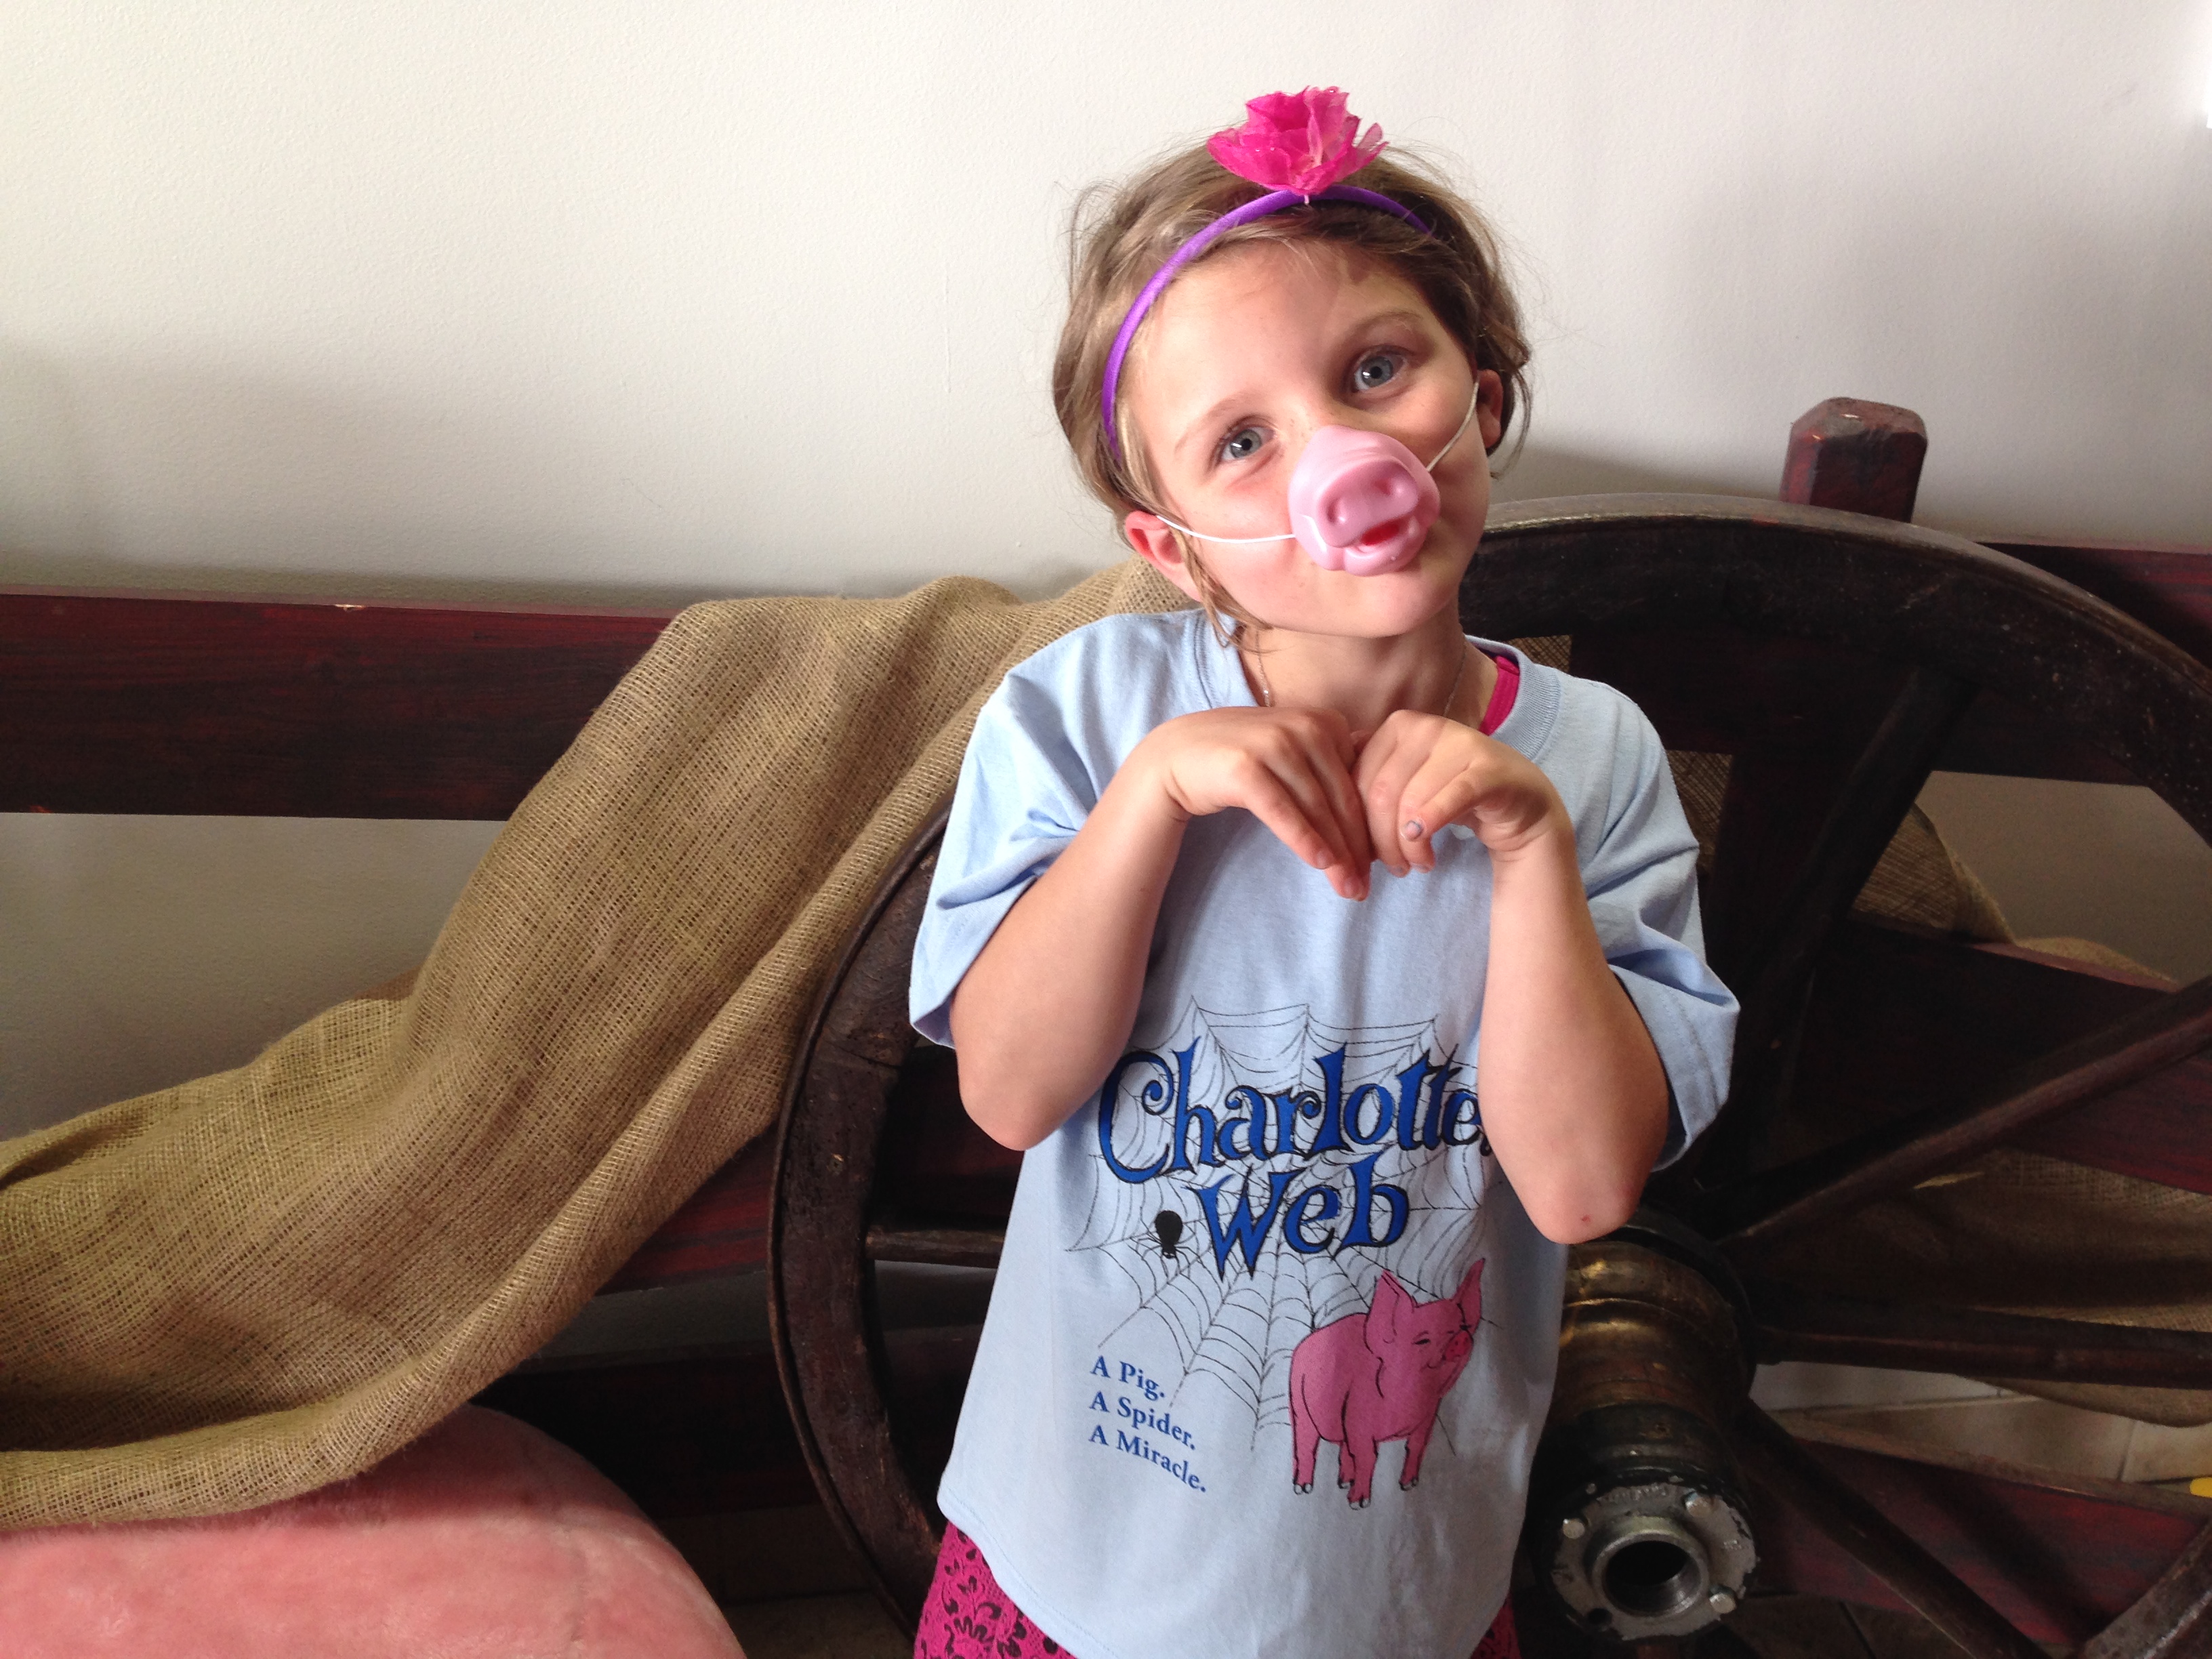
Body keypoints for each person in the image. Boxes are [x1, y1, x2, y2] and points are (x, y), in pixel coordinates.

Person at [906, 88, 1738, 1659]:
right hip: (1073, 1556)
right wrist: (1151, 798)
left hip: (1400, 1586)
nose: (1344, 460)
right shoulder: (1081, 721)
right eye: (1243, 442)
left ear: (1480, 395)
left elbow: (1581, 1190)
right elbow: (1009, 1095)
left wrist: (1530, 849)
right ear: (1174, 547)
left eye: (1373, 371)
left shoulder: (1595, 759)